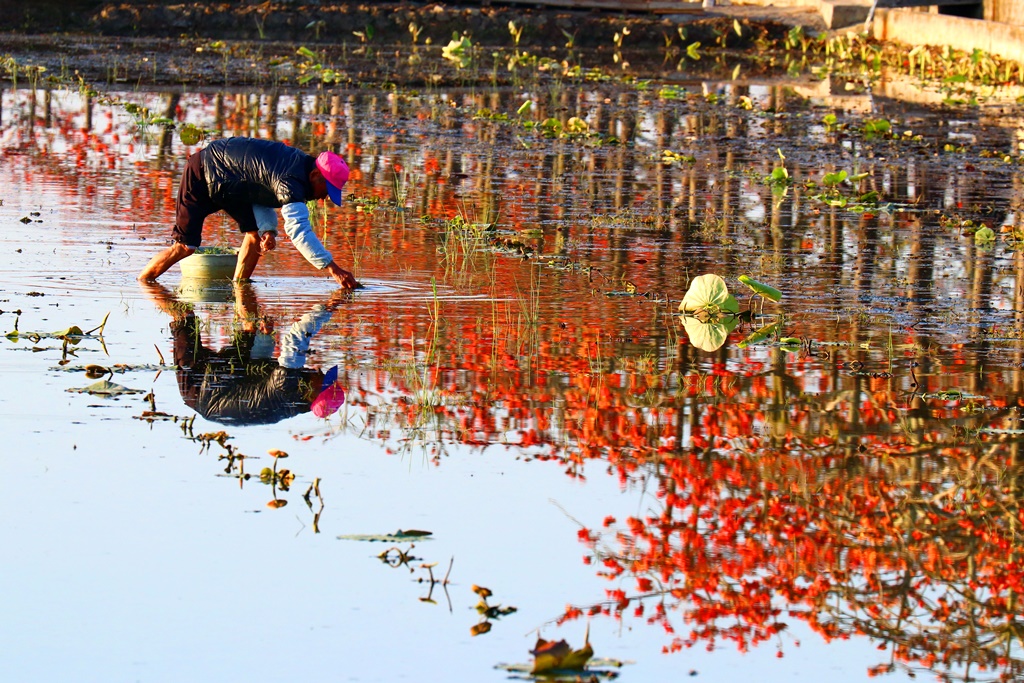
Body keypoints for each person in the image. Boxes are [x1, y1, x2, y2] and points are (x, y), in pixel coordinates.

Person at [137, 136, 359, 289]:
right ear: (314, 176)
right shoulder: (291, 181)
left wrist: (268, 230)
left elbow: (259, 188)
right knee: (186, 246)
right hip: (204, 170)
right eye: (327, 189)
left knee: (255, 236)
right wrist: (333, 269)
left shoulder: (299, 167)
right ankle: (144, 283)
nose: (326, 197)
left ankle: (239, 289)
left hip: (231, 182)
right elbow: (298, 232)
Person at [143, 281, 347, 425]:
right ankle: (240, 280)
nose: (320, 371)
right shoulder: (294, 398)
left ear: (314, 394)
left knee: (183, 314)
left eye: (323, 379)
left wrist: (332, 304)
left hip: (202, 390)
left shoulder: (288, 389)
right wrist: (266, 337)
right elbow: (259, 370)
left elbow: (296, 336)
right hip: (229, 378)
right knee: (251, 323)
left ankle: (146, 281)